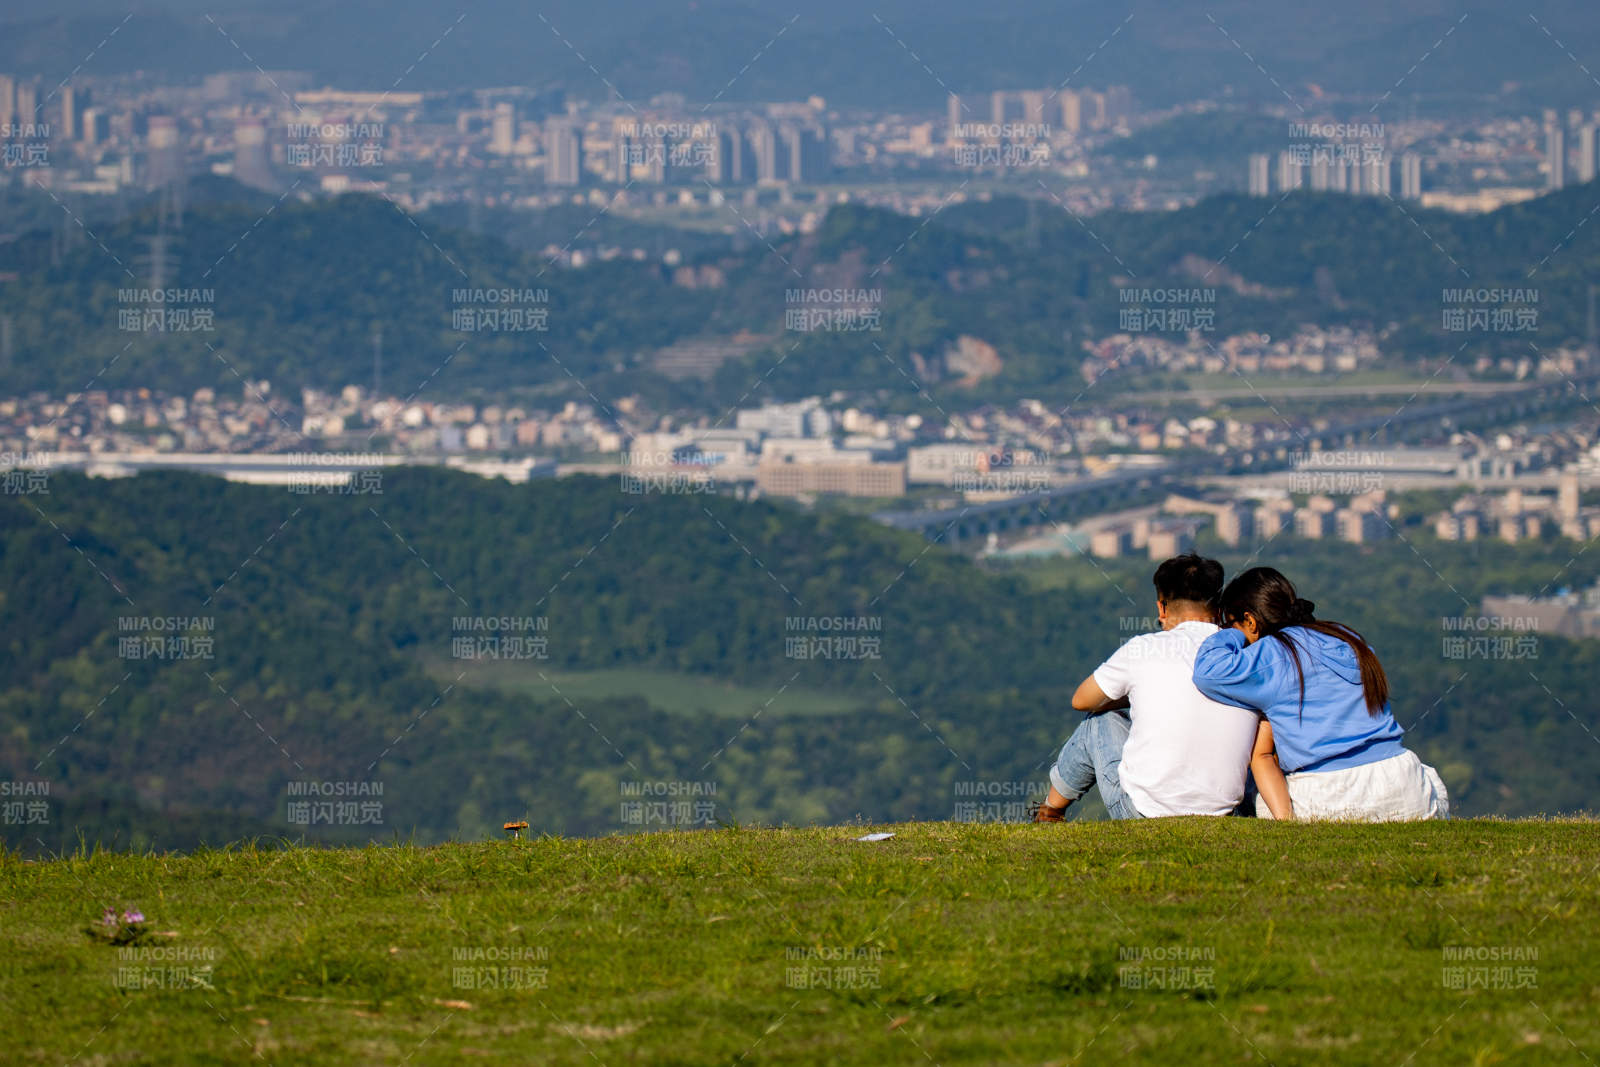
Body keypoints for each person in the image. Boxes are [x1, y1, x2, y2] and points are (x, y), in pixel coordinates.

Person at [1191, 566, 1449, 822]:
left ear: (1250, 620)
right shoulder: (1346, 638)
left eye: (1231, 623)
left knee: (1250, 791)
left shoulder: (1271, 653)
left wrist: (1228, 634)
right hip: (1403, 783)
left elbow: (1208, 671)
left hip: (1331, 793)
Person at [1030, 554, 1260, 822]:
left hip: (1142, 813)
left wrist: (1134, 696)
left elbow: (1082, 700)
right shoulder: (1248, 654)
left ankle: (1049, 813)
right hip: (1229, 811)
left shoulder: (1143, 648)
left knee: (1098, 721)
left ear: (1162, 608)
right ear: (1219, 607)